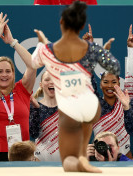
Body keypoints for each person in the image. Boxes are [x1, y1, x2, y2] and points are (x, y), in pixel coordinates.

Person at [31, 1, 120, 172]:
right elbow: (114, 66)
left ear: (61, 22)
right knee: (85, 124)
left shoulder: (48, 50)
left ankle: (78, 159)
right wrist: (103, 51)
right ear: (82, 26)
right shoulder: (91, 48)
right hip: (92, 106)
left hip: (70, 108)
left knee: (67, 162)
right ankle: (82, 156)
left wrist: (41, 43)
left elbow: (34, 63)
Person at [0, 13, 36, 161]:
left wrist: (12, 42)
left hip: (21, 155)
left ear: (13, 74)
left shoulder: (22, 90)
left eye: (8, 71)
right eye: (0, 71)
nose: (4, 75)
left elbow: (33, 65)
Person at [83, 24, 133, 158]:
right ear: (100, 85)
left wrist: (131, 49)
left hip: (125, 155)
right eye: (106, 82)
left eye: (114, 82)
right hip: (99, 157)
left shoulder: (126, 98)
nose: (110, 85)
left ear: (120, 83)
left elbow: (131, 73)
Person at [29, 71, 60, 161]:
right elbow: (34, 134)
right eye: (47, 80)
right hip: (41, 158)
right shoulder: (34, 106)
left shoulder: (67, 106)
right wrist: (36, 109)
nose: (51, 82)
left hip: (65, 159)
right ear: (41, 84)